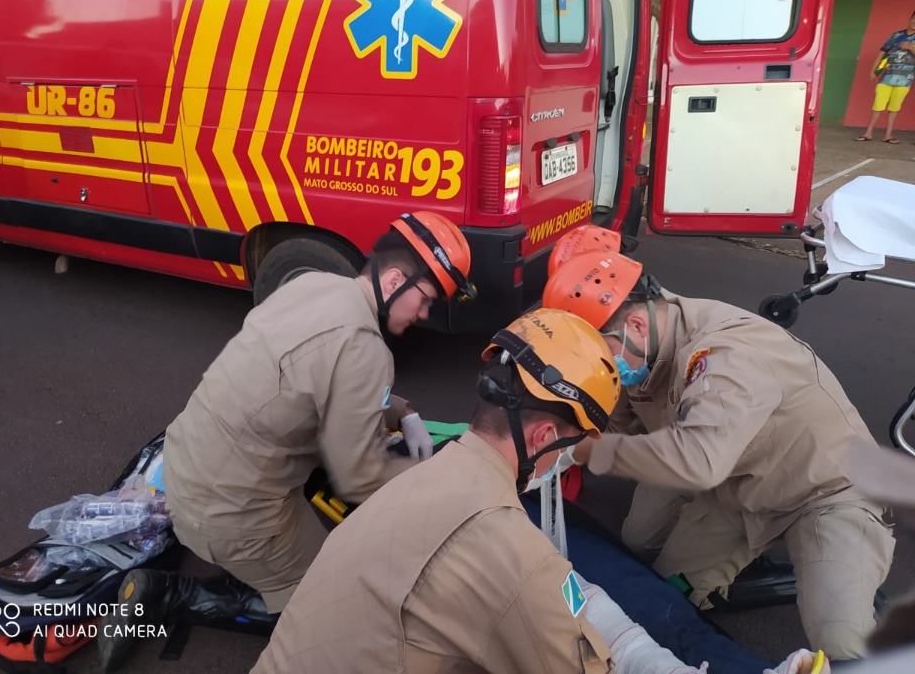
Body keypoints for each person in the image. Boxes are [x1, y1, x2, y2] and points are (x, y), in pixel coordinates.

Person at [98, 211, 476, 672]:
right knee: (333, 606)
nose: (423, 314)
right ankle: (172, 595)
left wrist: (404, 411)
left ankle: (259, 560)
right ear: (396, 279)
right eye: (426, 300)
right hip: (223, 513)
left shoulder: (314, 284)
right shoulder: (365, 349)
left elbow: (323, 379)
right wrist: (435, 481)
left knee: (324, 463)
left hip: (180, 465)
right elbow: (360, 478)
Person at [541, 248, 896, 662]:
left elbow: (698, 464)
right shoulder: (646, 343)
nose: (604, 366)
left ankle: (845, 582)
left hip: (825, 491)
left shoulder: (727, 354)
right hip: (737, 484)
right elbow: (627, 428)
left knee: (841, 639)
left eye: (602, 355)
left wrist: (581, 451)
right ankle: (745, 565)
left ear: (635, 324)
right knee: (661, 577)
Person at [251, 308, 624, 673]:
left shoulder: (408, 480)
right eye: (568, 446)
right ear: (543, 437)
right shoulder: (520, 557)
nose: (563, 460)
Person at [854, 11, 915, 145]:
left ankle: (888, 135)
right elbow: (882, 54)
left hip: (905, 80)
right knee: (877, 106)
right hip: (887, 77)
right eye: (914, 19)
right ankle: (868, 133)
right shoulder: (896, 35)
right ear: (910, 18)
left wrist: (910, 47)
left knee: (894, 108)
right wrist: (873, 71)